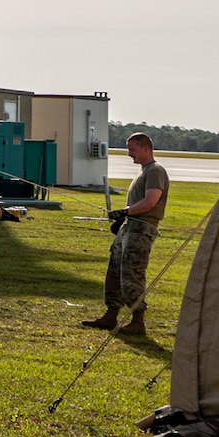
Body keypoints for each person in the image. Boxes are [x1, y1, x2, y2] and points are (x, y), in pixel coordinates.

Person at [83, 132, 171, 337]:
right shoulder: (143, 171)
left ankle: (137, 321)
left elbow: (150, 202)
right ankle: (111, 314)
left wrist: (125, 211)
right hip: (130, 227)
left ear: (146, 148)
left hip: (142, 229)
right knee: (115, 270)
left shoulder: (155, 170)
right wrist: (123, 219)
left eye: (132, 149)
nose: (129, 154)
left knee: (132, 273)